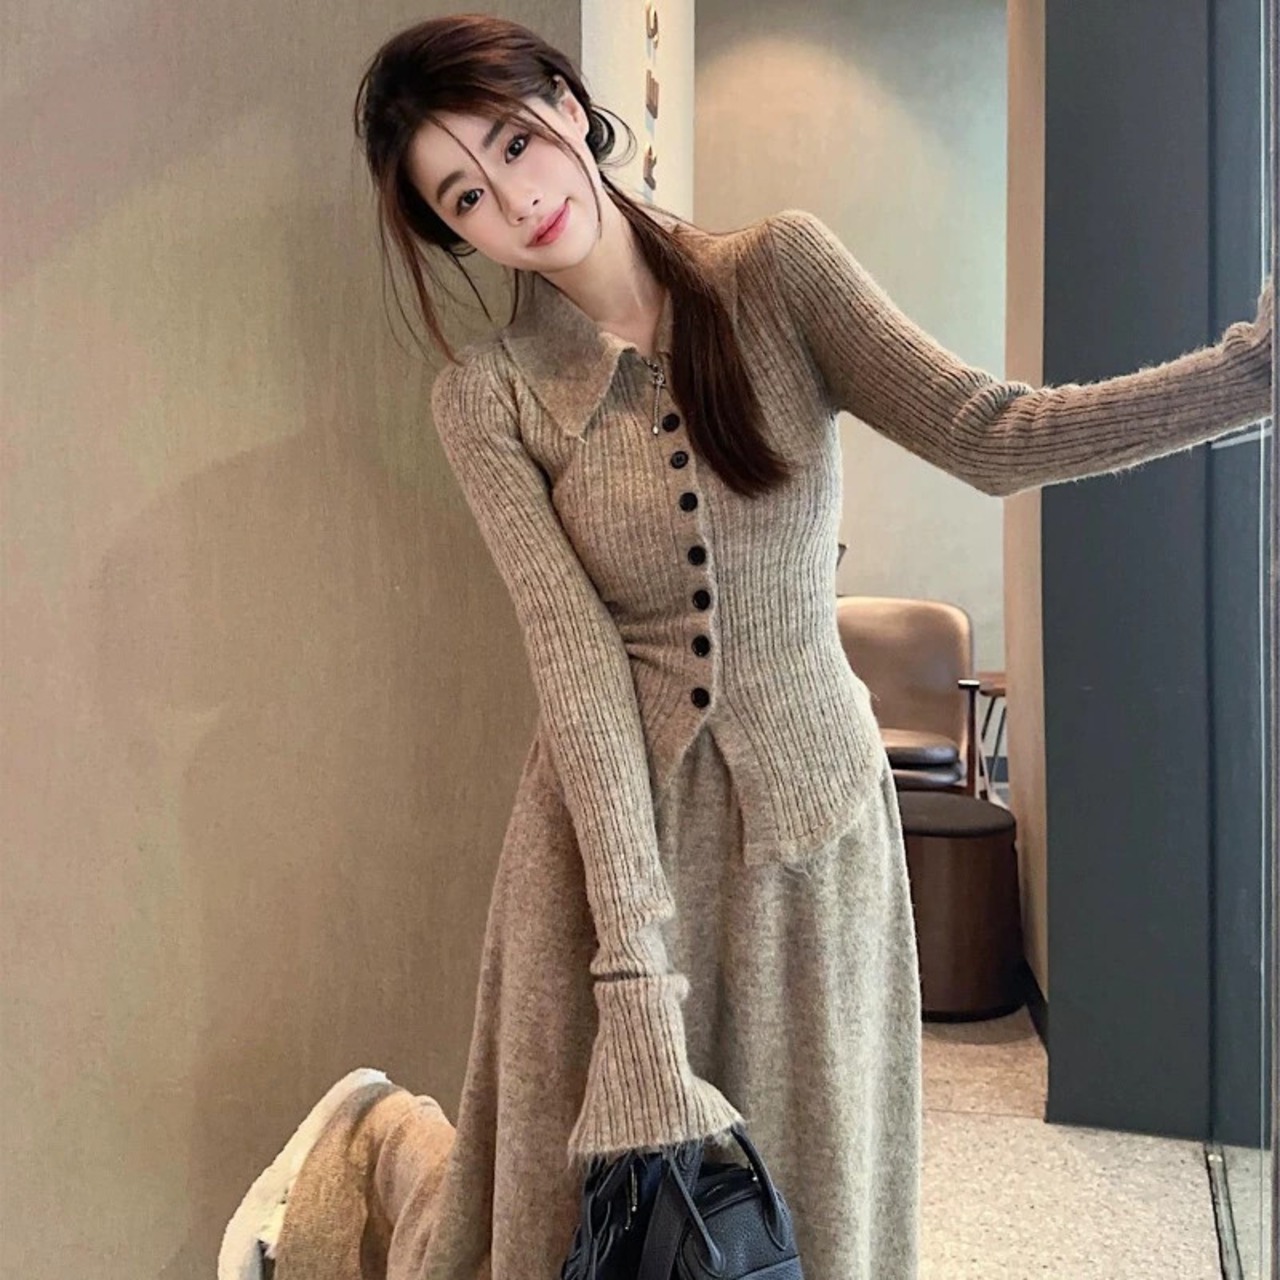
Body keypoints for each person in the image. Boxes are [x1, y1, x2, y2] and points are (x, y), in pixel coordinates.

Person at [219, 13, 1274, 1280]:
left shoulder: (778, 273)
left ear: (566, 103)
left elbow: (990, 434)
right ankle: (377, 1146)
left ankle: (385, 1139)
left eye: (512, 141)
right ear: (455, 236)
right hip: (610, 852)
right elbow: (577, 672)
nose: (515, 198)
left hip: (812, 828)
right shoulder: (487, 397)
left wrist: (1250, 372)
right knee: (581, 1223)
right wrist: (630, 973)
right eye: (465, 197)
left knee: (806, 1201)